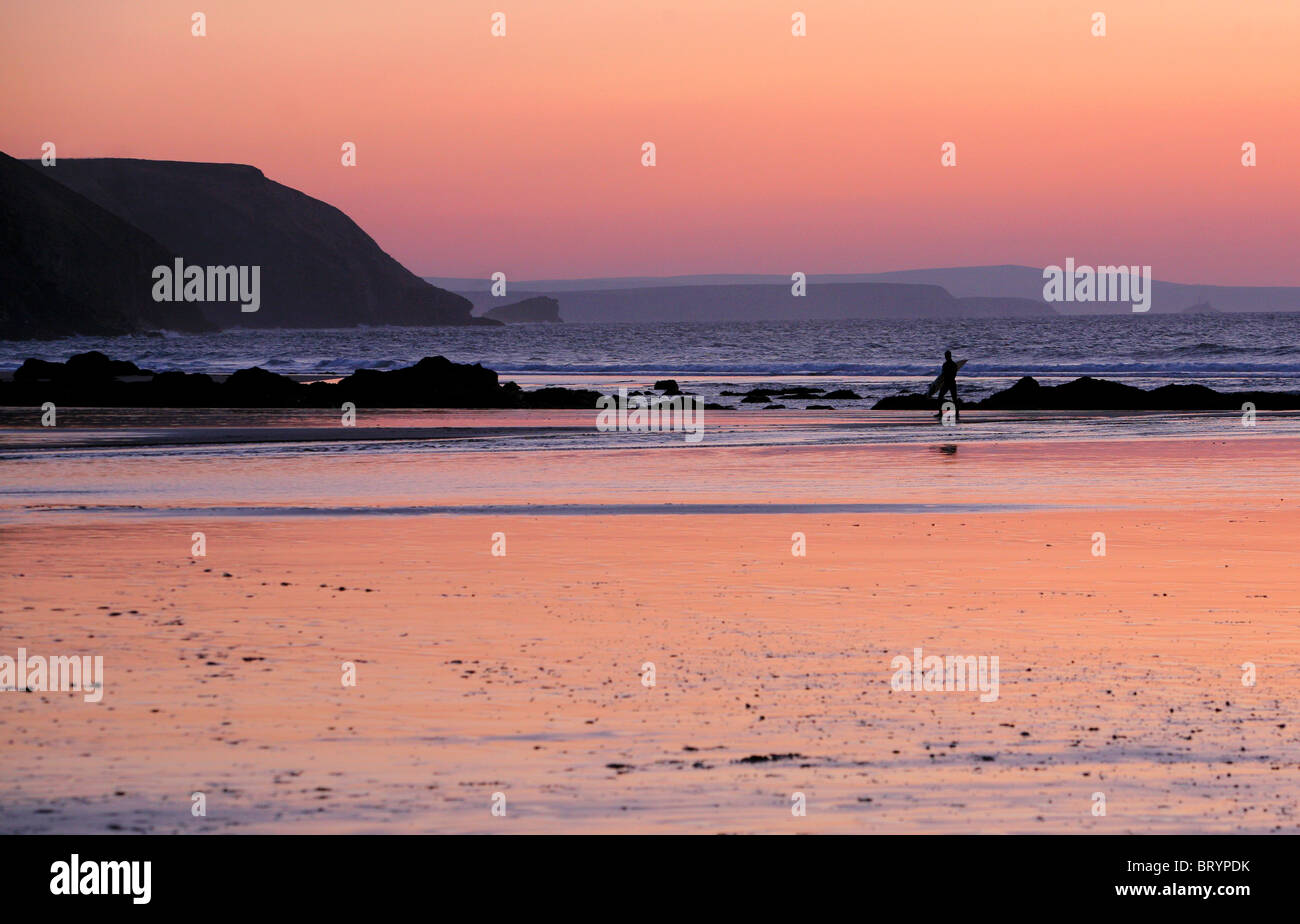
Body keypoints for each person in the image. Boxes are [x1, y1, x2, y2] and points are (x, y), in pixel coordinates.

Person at [936, 350, 960, 420]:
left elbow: (943, 375)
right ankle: (957, 412)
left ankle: (941, 412)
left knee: (940, 397)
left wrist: (940, 382)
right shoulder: (954, 364)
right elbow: (954, 374)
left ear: (947, 356)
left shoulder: (946, 364)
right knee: (954, 398)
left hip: (947, 383)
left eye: (946, 356)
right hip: (952, 382)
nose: (946, 357)